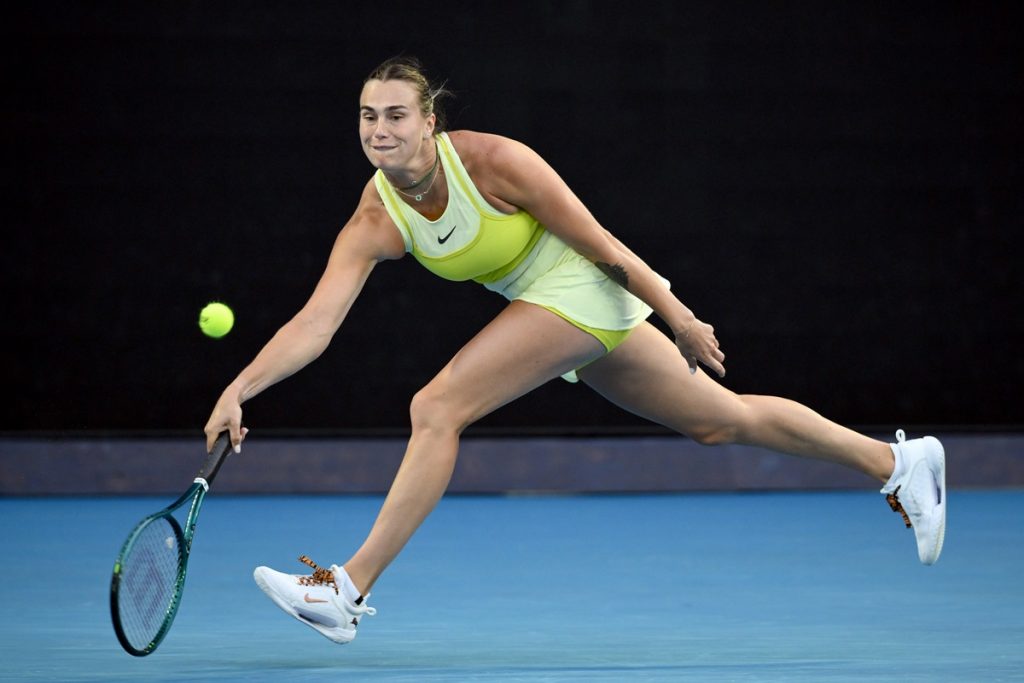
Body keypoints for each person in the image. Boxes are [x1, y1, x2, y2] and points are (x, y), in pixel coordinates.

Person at [203, 56, 947, 645]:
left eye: (397, 114)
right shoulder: (376, 213)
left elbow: (603, 244)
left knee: (436, 404)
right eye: (369, 116)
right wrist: (240, 388)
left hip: (584, 287)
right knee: (722, 421)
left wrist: (678, 314)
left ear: (430, 120)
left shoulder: (494, 163)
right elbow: (315, 322)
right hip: (549, 312)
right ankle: (896, 463)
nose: (380, 129)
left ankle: (348, 588)